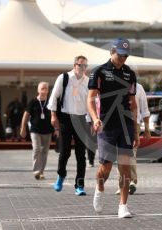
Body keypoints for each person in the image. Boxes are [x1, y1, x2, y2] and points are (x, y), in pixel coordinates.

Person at [88, 38, 138, 218]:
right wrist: (94, 119)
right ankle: (99, 188)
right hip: (105, 125)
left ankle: (123, 206)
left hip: (125, 125)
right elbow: (90, 99)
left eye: (126, 56)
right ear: (111, 52)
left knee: (125, 167)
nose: (123, 58)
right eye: (120, 55)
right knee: (106, 167)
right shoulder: (99, 72)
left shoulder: (130, 74)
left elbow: (133, 104)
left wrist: (136, 129)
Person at [47, 55, 89, 196]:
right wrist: (53, 115)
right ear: (75, 65)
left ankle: (80, 185)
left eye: (85, 66)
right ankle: (61, 176)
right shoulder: (63, 78)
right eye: (81, 65)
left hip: (82, 119)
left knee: (80, 154)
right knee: (64, 151)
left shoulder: (88, 82)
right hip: (66, 118)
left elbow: (90, 103)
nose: (83, 68)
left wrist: (92, 121)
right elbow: (54, 97)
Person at [115, 82, 151, 195]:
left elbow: (145, 110)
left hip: (133, 124)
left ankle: (131, 182)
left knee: (131, 153)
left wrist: (147, 129)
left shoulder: (139, 88)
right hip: (116, 124)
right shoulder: (114, 86)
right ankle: (122, 183)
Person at [20, 82, 54, 180]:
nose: (44, 90)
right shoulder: (33, 102)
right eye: (42, 88)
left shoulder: (50, 102)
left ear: (48, 91)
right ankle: (36, 170)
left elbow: (55, 115)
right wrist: (23, 128)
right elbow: (25, 116)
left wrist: (57, 129)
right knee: (36, 149)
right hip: (35, 130)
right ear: (38, 90)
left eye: (46, 88)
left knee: (45, 151)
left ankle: (41, 171)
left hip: (48, 130)